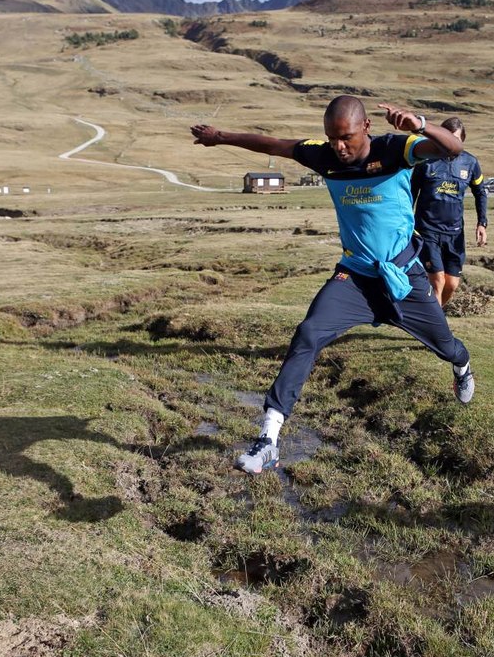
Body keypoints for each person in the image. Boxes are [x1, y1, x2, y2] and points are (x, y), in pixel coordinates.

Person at [191, 96, 475, 474]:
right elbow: (273, 144)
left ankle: (462, 366)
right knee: (308, 333)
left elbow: (452, 148)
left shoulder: (397, 148)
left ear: (366, 128)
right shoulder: (322, 155)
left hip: (404, 276)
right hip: (354, 277)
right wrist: (219, 137)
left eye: (346, 137)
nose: (339, 147)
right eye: (332, 138)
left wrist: (420, 124)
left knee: (446, 347)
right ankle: (268, 438)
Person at [410, 117, 488, 306]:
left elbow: (480, 192)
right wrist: (406, 224)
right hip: (427, 230)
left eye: (456, 140)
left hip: (454, 233)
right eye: (447, 138)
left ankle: (434, 319)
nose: (451, 144)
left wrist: (482, 223)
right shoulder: (426, 162)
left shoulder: (470, 162)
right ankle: (436, 329)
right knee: (437, 280)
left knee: (451, 284)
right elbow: (410, 194)